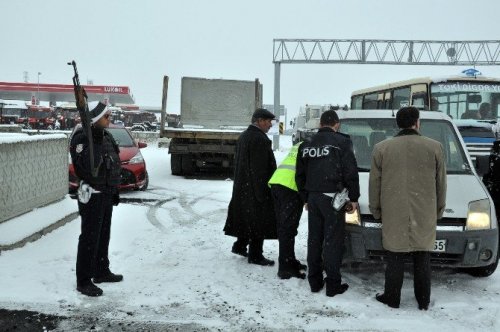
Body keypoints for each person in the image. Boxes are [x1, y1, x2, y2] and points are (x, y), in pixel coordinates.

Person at [369, 106, 446, 310]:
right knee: (422, 256)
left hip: (393, 210)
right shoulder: (435, 147)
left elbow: (375, 183)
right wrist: (438, 210)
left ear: (398, 124)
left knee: (395, 256)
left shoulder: (381, 148)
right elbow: (441, 183)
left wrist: (376, 210)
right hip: (425, 210)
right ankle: (423, 300)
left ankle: (392, 298)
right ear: (417, 122)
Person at [296, 110, 360, 297]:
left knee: (314, 240)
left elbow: (299, 175)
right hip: (333, 198)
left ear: (320, 123)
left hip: (313, 198)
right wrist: (354, 198)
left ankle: (314, 282)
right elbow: (350, 172)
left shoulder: (306, 144)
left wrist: (305, 198)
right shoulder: (342, 142)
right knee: (332, 241)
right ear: (336, 124)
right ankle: (333, 285)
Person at [69, 101, 123, 297]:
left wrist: (113, 189)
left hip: (106, 193)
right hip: (91, 194)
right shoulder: (83, 138)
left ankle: (101, 271)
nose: (110, 119)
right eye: (106, 117)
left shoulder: (104, 135)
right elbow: (87, 168)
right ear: (95, 119)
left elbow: (112, 162)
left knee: (103, 234)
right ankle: (83, 280)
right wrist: (96, 141)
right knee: (90, 237)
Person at [224, 108, 278, 266]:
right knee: (258, 220)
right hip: (256, 188)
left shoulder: (244, 136)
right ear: (259, 121)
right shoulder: (260, 139)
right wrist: (264, 191)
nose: (270, 125)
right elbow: (261, 168)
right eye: (268, 122)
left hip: (243, 186)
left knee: (245, 217)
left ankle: (240, 245)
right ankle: (255, 255)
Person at [268, 142, 307, 279]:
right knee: (287, 229)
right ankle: (285, 268)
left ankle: (290, 260)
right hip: (290, 187)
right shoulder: (314, 147)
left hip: (278, 182)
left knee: (285, 228)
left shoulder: (302, 144)